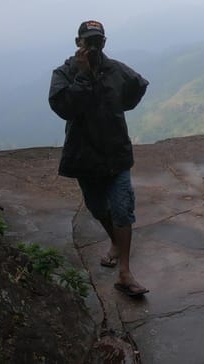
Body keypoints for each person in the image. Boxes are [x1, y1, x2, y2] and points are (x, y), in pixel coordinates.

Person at [48, 19, 150, 297]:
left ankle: (125, 272)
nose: (93, 46)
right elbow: (64, 108)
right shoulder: (65, 73)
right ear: (78, 43)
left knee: (122, 208)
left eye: (98, 41)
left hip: (116, 152)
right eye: (88, 41)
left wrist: (121, 105)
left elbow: (138, 85)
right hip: (85, 156)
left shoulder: (115, 69)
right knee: (96, 207)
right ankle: (115, 242)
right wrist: (83, 76)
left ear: (104, 43)